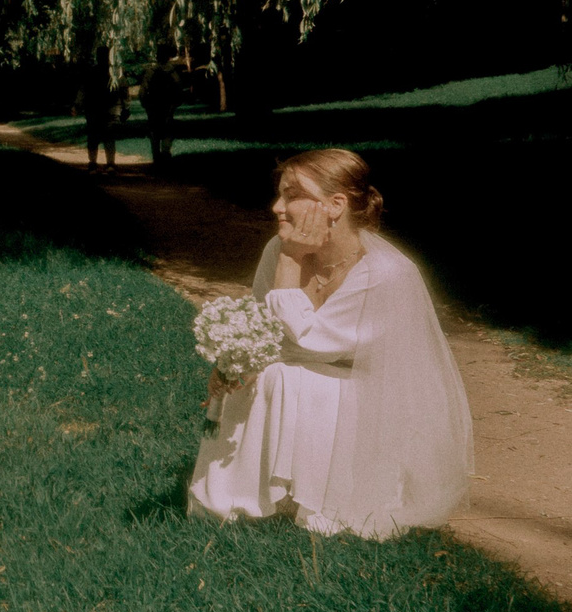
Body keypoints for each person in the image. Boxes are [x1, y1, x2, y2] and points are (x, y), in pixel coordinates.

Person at [187, 149, 473, 537]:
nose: (276, 207)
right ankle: (237, 499)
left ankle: (306, 497)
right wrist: (234, 362)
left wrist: (292, 260)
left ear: (335, 205)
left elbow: (313, 342)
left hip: (367, 395)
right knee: (256, 377)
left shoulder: (386, 273)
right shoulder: (277, 248)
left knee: (282, 378)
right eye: (279, 194)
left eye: (291, 195)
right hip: (311, 378)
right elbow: (263, 328)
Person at [79, 51, 123, 169]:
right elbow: (123, 89)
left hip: (93, 109)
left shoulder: (90, 72)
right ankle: (110, 163)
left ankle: (93, 163)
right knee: (109, 137)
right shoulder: (114, 73)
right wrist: (125, 107)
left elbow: (83, 90)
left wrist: (78, 104)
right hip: (110, 109)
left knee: (93, 137)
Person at [142, 56, 187, 165]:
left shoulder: (151, 71)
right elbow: (179, 87)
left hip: (153, 105)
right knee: (167, 129)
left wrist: (145, 104)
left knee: (154, 131)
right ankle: (166, 152)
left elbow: (143, 89)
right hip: (168, 105)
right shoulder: (172, 71)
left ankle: (156, 156)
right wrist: (176, 103)